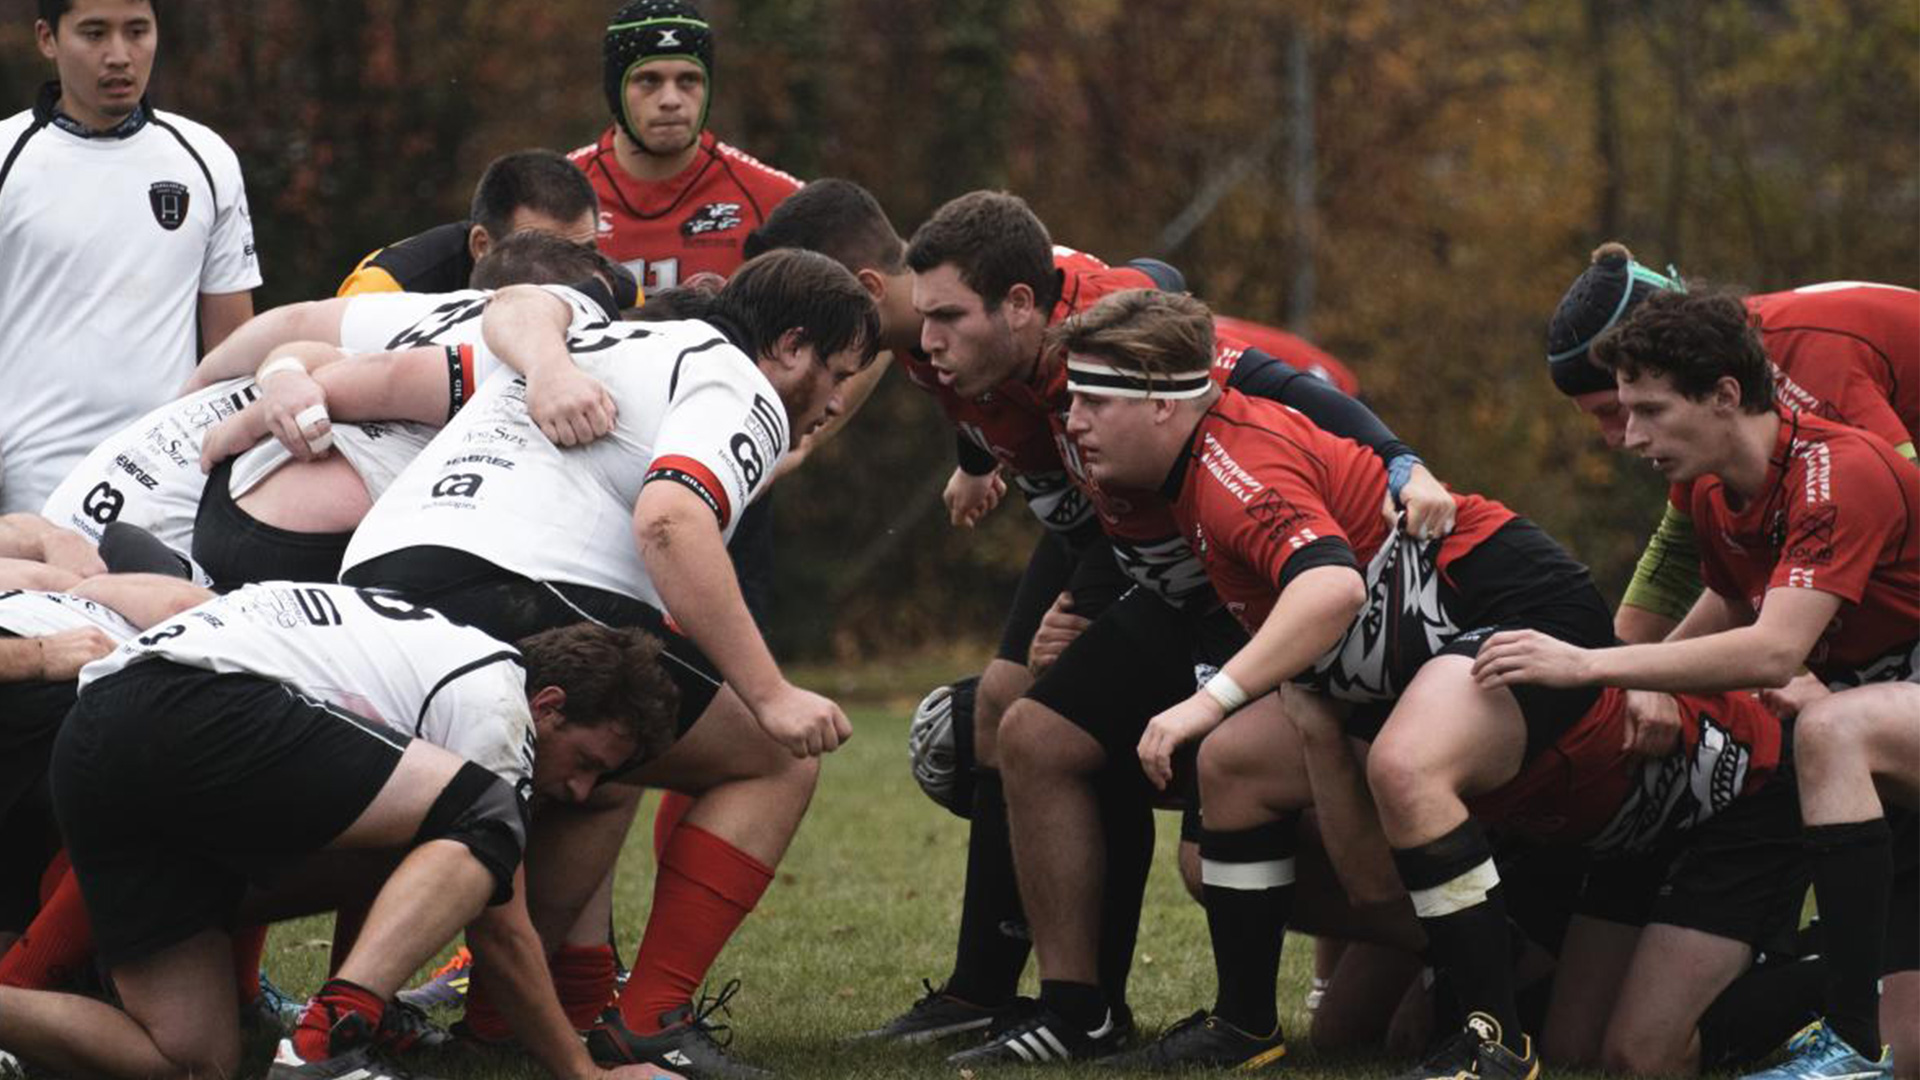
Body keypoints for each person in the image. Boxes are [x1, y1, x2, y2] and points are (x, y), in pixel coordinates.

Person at [1020, 288, 1616, 1078]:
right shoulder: (1189, 464)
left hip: (1513, 610)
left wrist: (1204, 700)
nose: (1074, 422)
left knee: (1403, 764)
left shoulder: (1229, 468)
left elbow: (1331, 589)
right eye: (1070, 401)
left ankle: (1493, 1040)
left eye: (1093, 400)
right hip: (1408, 656)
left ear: (1165, 405)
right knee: (1232, 764)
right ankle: (1244, 1026)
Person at [318, 248, 873, 1076]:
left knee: (599, 766)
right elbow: (669, 523)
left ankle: (484, 1017)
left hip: (370, 586)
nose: (834, 403)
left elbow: (515, 303)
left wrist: (544, 366)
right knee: (772, 759)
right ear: (789, 345)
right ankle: (650, 1020)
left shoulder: (601, 335)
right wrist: (770, 694)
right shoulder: (736, 380)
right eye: (837, 373)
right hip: (512, 590)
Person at [1479, 289, 1919, 1080]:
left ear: (1724, 396)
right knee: (1907, 1048)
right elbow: (1729, 598)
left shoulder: (1839, 469)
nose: (1631, 436)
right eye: (1623, 411)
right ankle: (1841, 999)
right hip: (1897, 741)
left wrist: (1588, 664)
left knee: (1831, 728)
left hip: (1880, 724)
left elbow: (1773, 652)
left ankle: (1850, 1045)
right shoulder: (1716, 491)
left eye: (1649, 410)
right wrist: (1648, 690)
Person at [0, 582, 683, 1080]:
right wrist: (581, 1073)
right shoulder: (494, 697)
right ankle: (327, 1040)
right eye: (589, 762)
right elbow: (499, 926)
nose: (581, 790)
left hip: (96, 731)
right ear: (550, 704)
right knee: (489, 815)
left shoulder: (418, 658)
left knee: (189, 1060)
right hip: (188, 700)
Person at [1544, 242, 1917, 644]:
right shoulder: (1713, 395)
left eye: (1613, 410)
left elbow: (1906, 516)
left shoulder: (1803, 373)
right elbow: (1676, 557)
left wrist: (1798, 667)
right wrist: (1614, 673)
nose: (1618, 436)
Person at [0, 0, 259, 514]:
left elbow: (233, 351)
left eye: (137, 31)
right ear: (48, 38)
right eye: (94, 34)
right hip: (31, 497)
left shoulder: (206, 160)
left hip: (170, 491)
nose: (119, 55)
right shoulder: (8, 157)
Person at [569, 0, 801, 294]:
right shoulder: (556, 195)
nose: (671, 99)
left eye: (688, 80)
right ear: (614, 90)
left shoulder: (778, 201)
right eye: (648, 80)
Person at [338, 148, 605, 297]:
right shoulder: (384, 292)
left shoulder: (610, 283)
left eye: (583, 252)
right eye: (545, 255)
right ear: (482, 246)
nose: (572, 277)